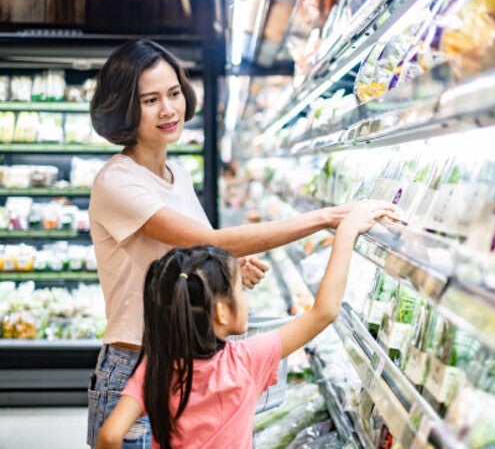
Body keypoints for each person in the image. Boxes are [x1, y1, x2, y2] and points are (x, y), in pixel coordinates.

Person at [86, 38, 378, 448]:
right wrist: (326, 218)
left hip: (182, 363)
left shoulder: (177, 174)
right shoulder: (117, 181)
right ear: (124, 108)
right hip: (137, 364)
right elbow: (211, 240)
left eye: (173, 93)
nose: (169, 109)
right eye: (150, 100)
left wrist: (228, 272)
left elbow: (196, 256)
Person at [95, 200, 392, 449]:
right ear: (221, 313)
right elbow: (324, 311)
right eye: (239, 290)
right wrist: (347, 232)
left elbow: (109, 435)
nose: (246, 298)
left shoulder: (157, 366)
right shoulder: (246, 360)